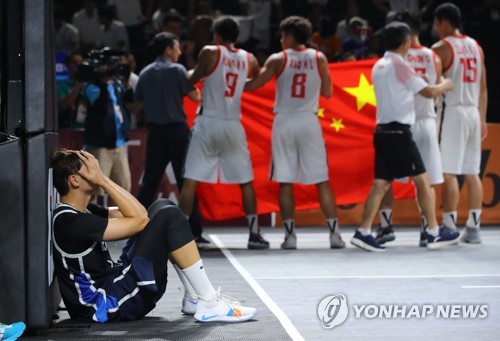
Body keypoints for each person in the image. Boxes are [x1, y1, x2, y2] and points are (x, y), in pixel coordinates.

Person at [51, 149, 256, 323]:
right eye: (90, 168)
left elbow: (139, 212)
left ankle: (194, 298)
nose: (97, 171)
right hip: (105, 305)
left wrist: (102, 179)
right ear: (74, 180)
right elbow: (140, 220)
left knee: (162, 206)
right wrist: (103, 181)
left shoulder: (81, 211)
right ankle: (209, 303)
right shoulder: (70, 222)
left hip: (112, 284)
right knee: (170, 217)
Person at [349, 21, 459, 252]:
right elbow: (427, 92)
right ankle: (433, 232)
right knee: (422, 180)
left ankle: (364, 231)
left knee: (380, 185)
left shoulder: (379, 64)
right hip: (399, 132)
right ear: (406, 41)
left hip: (382, 131)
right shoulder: (400, 65)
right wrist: (446, 84)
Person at [244, 16, 344, 250]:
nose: (280, 40)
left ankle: (290, 237)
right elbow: (328, 92)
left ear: (289, 36)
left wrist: (231, 80)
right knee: (321, 180)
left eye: (282, 35)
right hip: (309, 120)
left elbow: (254, 85)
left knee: (286, 182)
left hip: (285, 121)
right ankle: (335, 235)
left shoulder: (279, 58)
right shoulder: (319, 58)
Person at [178, 17, 270, 250]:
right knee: (245, 182)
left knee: (190, 181)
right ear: (237, 37)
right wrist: (241, 85)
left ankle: (178, 235)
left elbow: (191, 80)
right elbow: (254, 81)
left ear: (217, 36)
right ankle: (254, 234)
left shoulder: (210, 51)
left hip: (208, 122)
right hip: (233, 124)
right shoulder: (248, 58)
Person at [375, 11, 445, 247]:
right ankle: (428, 229)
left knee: (385, 179)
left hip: (401, 122)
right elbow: (435, 88)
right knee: (425, 181)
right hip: (425, 121)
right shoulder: (432, 56)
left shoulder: (392, 60)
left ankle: (385, 226)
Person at [134, 32, 209, 248]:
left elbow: (137, 104)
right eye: (177, 48)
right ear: (168, 49)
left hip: (156, 132)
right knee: (186, 181)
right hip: (177, 132)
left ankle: (134, 225)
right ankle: (195, 231)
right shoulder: (178, 70)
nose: (179, 52)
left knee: (149, 182)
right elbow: (195, 96)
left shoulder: (145, 72)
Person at [431, 3, 488, 243]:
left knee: (450, 172)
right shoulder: (476, 46)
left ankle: (449, 226)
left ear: (444, 22)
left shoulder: (441, 48)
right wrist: (482, 119)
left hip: (453, 112)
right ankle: (473, 228)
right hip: (473, 111)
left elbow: (432, 86)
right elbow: (484, 88)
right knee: (473, 172)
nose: (435, 29)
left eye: (436, 24)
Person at [83, 57, 131, 204]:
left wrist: (127, 79)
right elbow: (101, 106)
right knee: (93, 189)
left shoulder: (116, 85)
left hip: (119, 144)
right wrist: (104, 83)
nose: (109, 70)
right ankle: (88, 222)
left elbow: (128, 100)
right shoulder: (92, 86)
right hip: (100, 146)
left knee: (123, 187)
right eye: (106, 67)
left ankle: (119, 223)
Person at [57, 52, 83, 129]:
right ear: (67, 66)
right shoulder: (62, 85)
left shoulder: (90, 84)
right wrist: (79, 85)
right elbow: (63, 105)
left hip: (90, 129)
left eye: (80, 63)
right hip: (70, 129)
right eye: (74, 63)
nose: (77, 65)